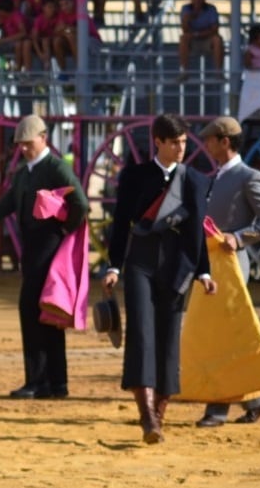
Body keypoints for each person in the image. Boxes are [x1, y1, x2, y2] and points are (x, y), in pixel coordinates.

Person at [0, 115, 87, 399]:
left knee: (31, 309)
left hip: (48, 245)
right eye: (21, 146)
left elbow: (81, 204)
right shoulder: (24, 174)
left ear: (43, 138)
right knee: (46, 312)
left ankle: (38, 381)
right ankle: (55, 383)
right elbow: (3, 208)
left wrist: (63, 230)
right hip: (33, 246)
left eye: (28, 144)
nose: (23, 149)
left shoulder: (56, 167)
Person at [103, 113, 216, 445]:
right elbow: (121, 223)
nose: (181, 148)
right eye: (175, 142)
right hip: (140, 263)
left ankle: (159, 416)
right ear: (158, 142)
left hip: (178, 266)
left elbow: (197, 232)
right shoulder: (134, 177)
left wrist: (204, 271)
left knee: (168, 341)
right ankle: (148, 416)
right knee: (141, 333)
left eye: (184, 142)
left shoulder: (194, 180)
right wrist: (113, 266)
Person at [194, 117, 260, 428]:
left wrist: (238, 236)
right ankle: (258, 399)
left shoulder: (249, 176)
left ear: (225, 142)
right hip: (213, 264)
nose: (206, 144)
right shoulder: (215, 177)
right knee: (229, 335)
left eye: (210, 139)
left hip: (231, 266)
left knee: (219, 336)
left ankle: (217, 409)